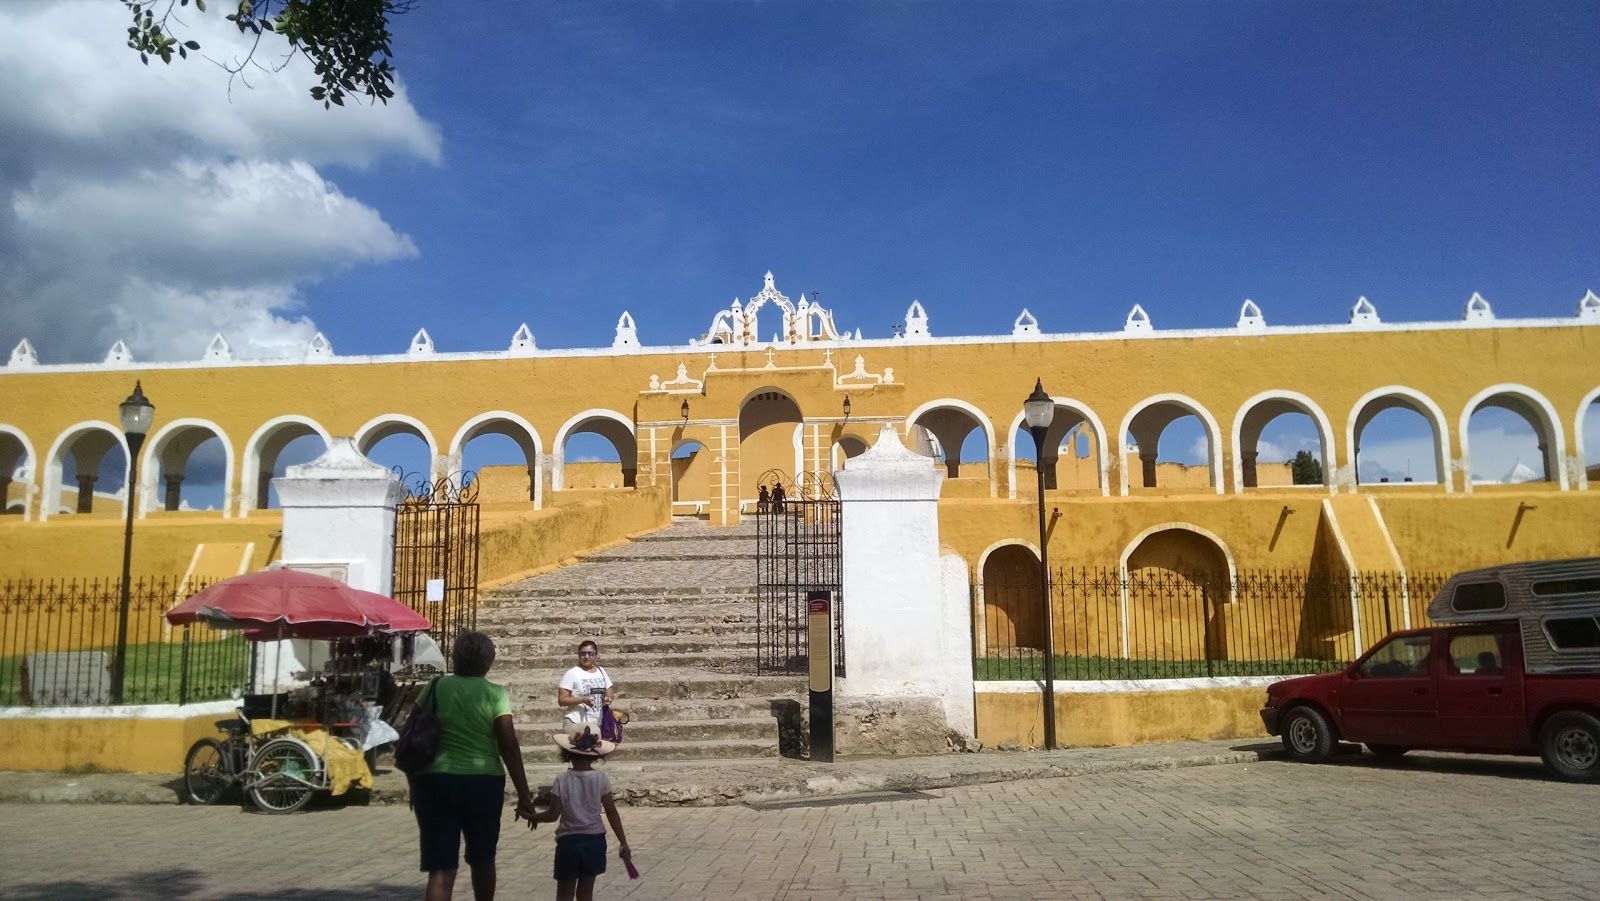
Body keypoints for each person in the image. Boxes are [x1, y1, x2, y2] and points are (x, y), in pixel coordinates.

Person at [411, 631, 537, 901]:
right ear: (488, 663)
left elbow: (413, 734)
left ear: (455, 657)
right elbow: (509, 746)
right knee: (483, 859)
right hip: (484, 783)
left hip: (436, 781)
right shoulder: (495, 694)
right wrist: (524, 794)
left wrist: (415, 783)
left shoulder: (434, 687)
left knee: (441, 868)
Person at [521, 728, 631, 901]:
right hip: (594, 841)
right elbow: (611, 811)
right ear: (596, 754)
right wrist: (623, 841)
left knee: (564, 894)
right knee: (586, 893)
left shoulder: (561, 780)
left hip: (568, 843)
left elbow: (552, 815)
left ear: (567, 753)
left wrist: (533, 817)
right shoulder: (601, 779)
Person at [557, 641, 615, 733]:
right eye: (583, 654)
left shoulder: (601, 671)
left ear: (596, 655)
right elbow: (562, 700)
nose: (587, 657)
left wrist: (608, 698)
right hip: (576, 722)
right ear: (578, 655)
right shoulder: (572, 673)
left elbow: (609, 691)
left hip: (598, 723)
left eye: (590, 654)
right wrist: (582, 699)